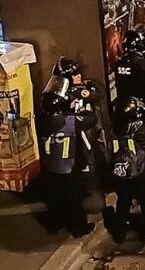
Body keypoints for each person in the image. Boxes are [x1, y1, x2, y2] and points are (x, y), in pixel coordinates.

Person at [37, 76, 98, 236]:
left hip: (50, 166)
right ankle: (79, 228)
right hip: (68, 166)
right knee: (73, 199)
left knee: (54, 198)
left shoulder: (42, 120)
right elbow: (91, 119)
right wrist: (76, 110)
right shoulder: (69, 121)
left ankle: (54, 225)